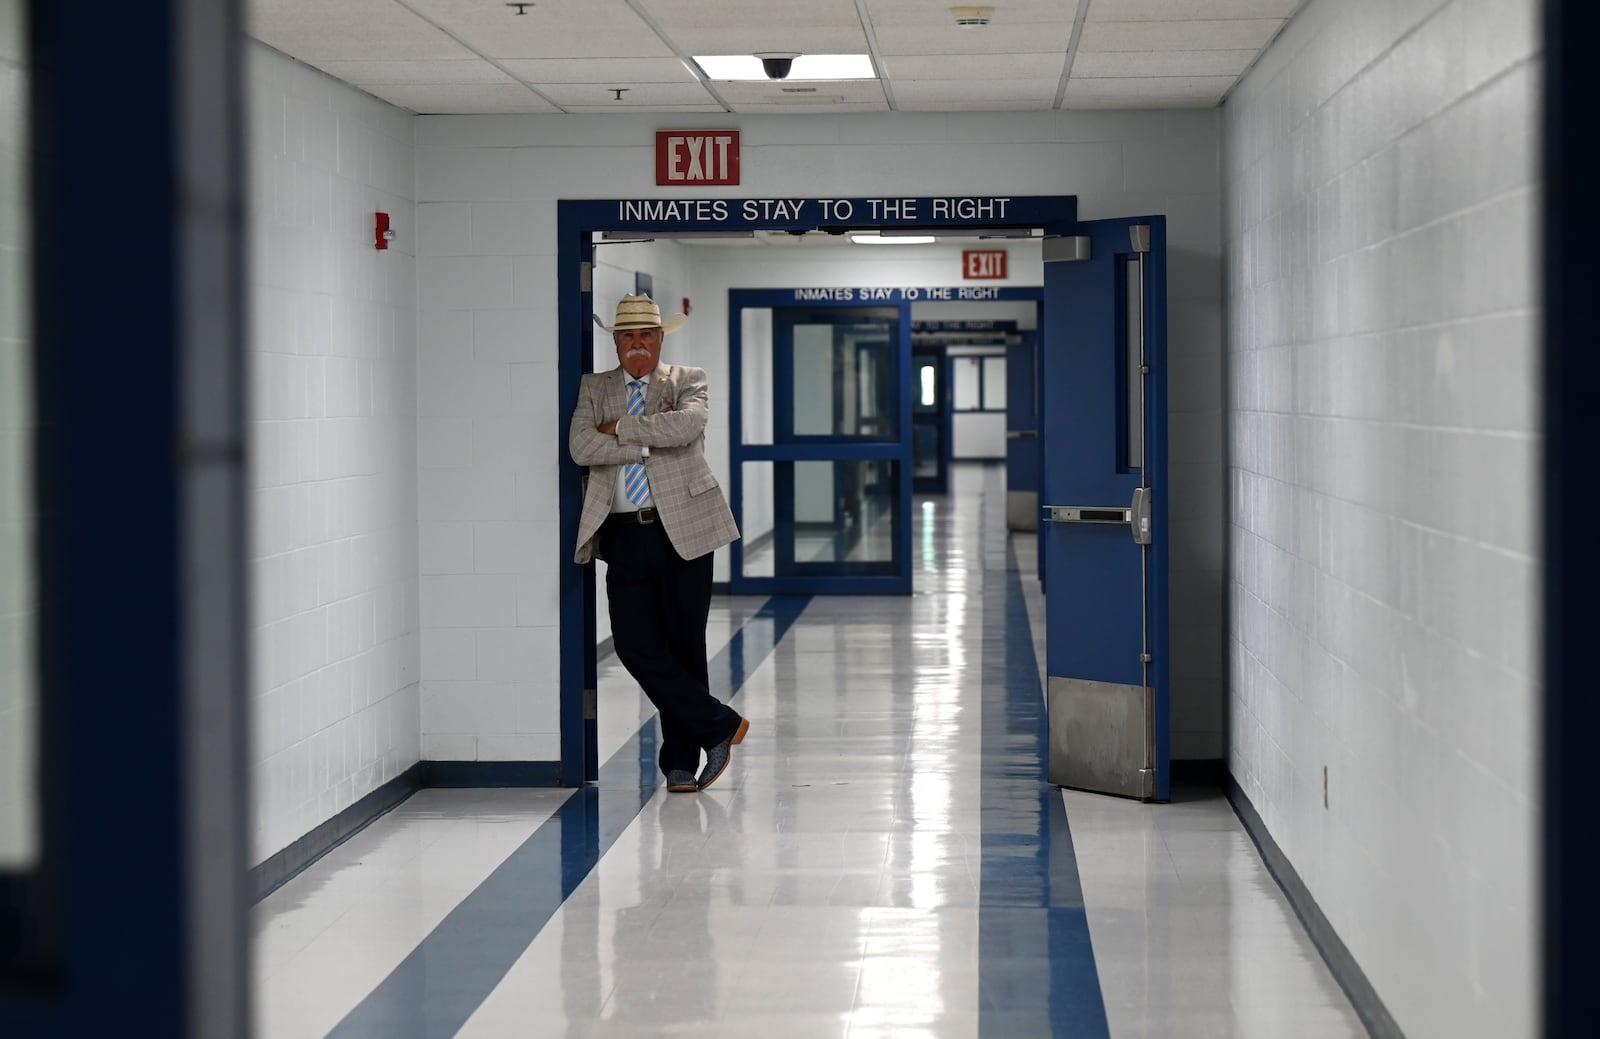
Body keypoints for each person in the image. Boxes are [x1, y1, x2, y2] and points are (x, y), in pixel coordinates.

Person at [570, 294, 747, 793]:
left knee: (684, 644)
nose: (637, 344)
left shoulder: (687, 379)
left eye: (646, 334)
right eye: (627, 336)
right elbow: (581, 446)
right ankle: (719, 724)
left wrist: (622, 430)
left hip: (686, 529)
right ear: (616, 342)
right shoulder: (595, 387)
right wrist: (652, 439)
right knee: (633, 644)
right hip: (624, 535)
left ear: (660, 338)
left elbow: (687, 427)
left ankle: (678, 763)